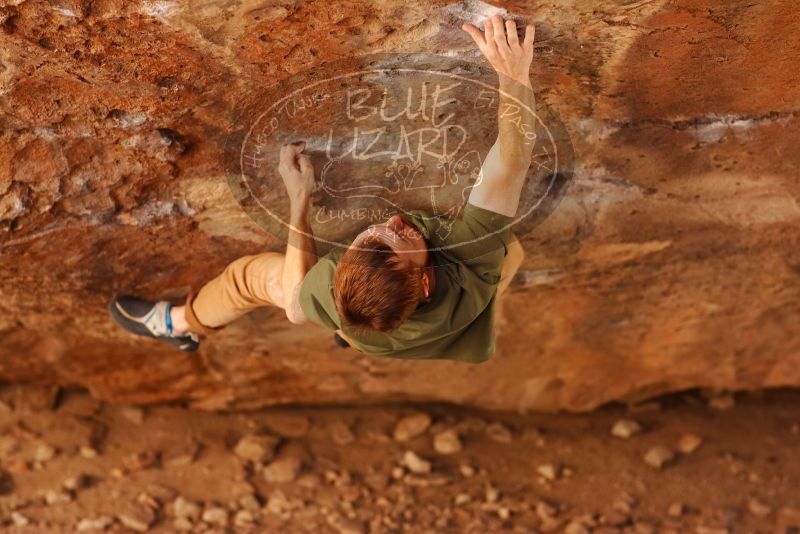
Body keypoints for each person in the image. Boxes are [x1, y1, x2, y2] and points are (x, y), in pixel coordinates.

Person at [109, 14, 537, 362]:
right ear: (427, 285)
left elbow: (297, 307)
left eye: (389, 234)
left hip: (380, 325)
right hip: (444, 325)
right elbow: (508, 167)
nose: (393, 220)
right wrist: (513, 76)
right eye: (394, 235)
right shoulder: (471, 262)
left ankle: (179, 326)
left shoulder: (334, 287)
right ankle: (352, 330)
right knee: (508, 249)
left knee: (249, 278)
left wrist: (299, 203)